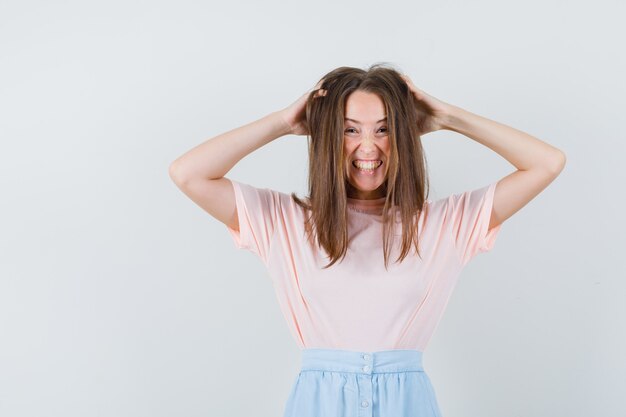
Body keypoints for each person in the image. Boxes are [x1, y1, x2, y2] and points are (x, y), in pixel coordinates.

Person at [168, 63, 566, 417]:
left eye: (384, 129)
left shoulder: (446, 224)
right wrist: (282, 123)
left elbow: (547, 162)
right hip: (317, 403)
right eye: (349, 130)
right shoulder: (284, 221)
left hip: (408, 403)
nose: (368, 146)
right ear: (327, 136)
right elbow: (188, 173)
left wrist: (449, 117)